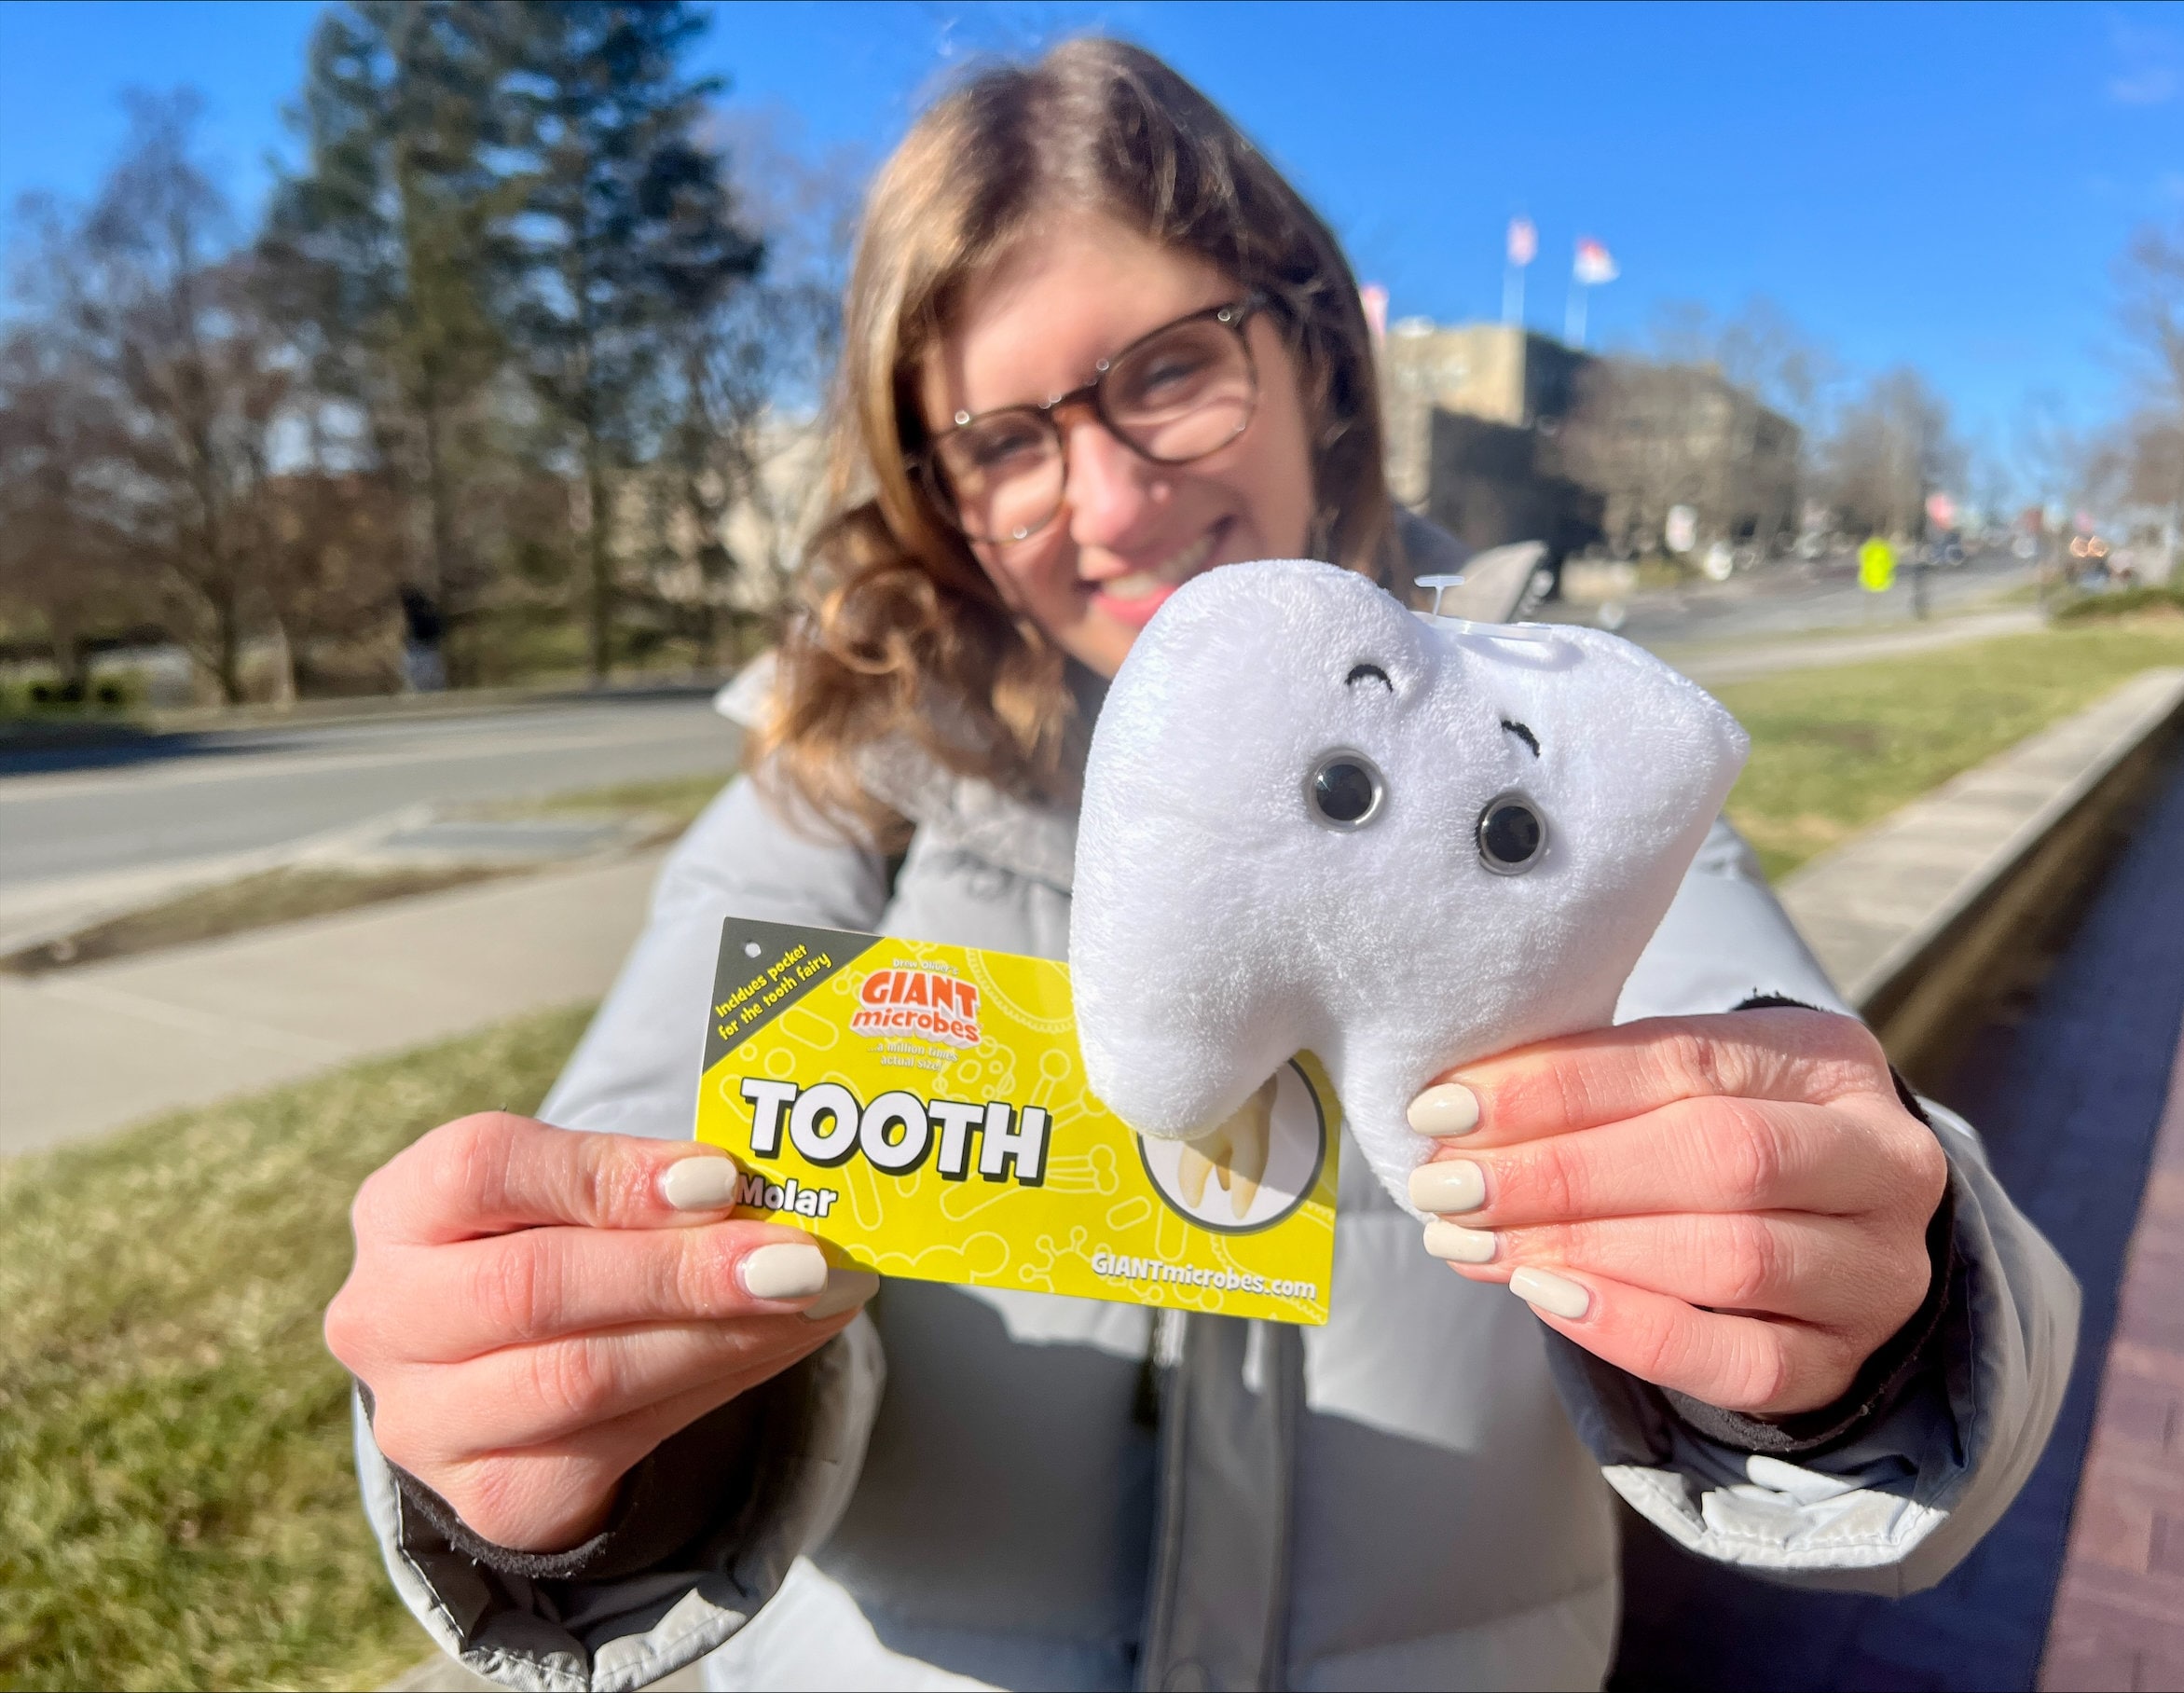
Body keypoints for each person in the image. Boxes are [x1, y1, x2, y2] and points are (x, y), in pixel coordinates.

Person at [329, 40, 2076, 1692]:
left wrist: (1871, 1314)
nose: (1108, 502)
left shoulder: (1549, 779)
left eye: (1168, 369)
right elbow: (626, 1167)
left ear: (1316, 355)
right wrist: (567, 1406)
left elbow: (1774, 1062)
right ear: (942, 497)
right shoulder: (844, 787)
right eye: (1006, 441)